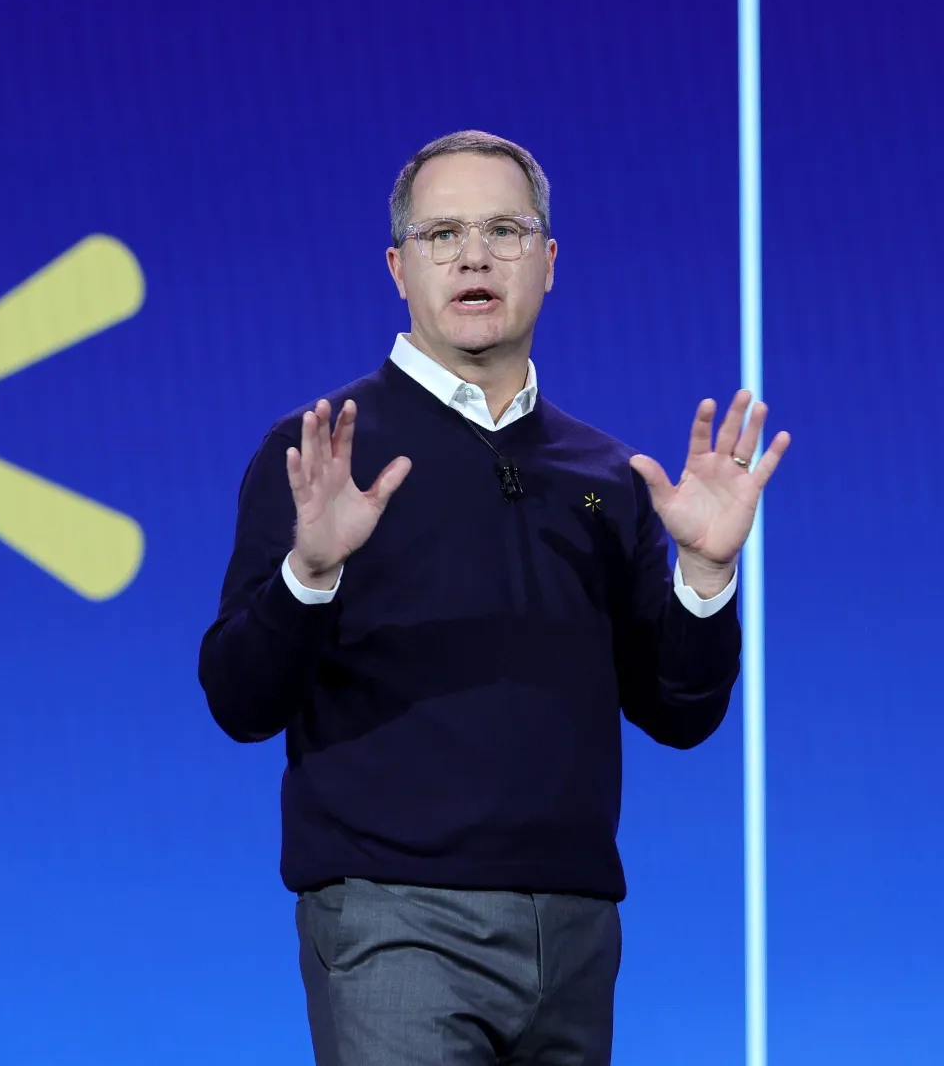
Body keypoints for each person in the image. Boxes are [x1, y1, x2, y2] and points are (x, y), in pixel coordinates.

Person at [196, 130, 790, 1066]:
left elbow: (679, 713)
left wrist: (706, 579)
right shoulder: (324, 457)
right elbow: (238, 699)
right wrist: (309, 575)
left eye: (504, 230)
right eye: (442, 235)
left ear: (548, 262)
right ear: (399, 267)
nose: (474, 255)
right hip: (394, 918)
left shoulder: (604, 472)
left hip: (576, 926)